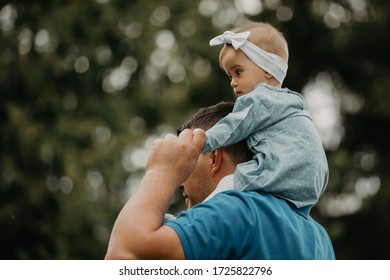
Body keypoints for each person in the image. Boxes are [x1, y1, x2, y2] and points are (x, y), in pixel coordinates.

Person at [105, 102, 335, 260]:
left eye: (188, 160)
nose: (179, 183)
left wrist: (162, 171)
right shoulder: (319, 239)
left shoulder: (237, 211)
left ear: (215, 158)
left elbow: (125, 256)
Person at [202, 21, 329, 209]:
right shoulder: (290, 103)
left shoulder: (261, 98)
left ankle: (194, 218)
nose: (233, 82)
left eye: (238, 72)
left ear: (268, 70)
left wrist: (200, 142)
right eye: (230, 76)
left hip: (283, 169)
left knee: (227, 185)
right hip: (314, 181)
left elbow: (233, 126)